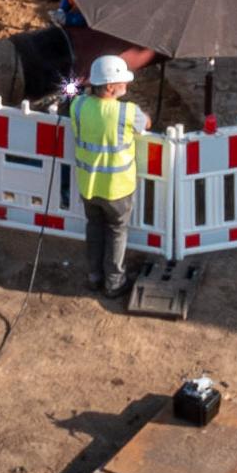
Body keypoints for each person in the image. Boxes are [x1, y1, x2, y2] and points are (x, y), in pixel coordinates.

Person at [67, 54, 146, 300]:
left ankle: (94, 276)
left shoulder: (78, 105)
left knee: (94, 227)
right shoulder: (127, 112)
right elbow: (146, 124)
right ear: (110, 87)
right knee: (116, 231)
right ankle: (114, 282)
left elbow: (75, 103)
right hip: (117, 189)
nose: (127, 84)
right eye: (123, 81)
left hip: (88, 186)